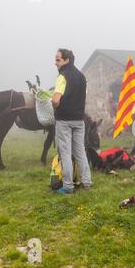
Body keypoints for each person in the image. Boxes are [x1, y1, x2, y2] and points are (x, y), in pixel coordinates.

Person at [51, 49, 92, 194]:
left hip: (64, 120)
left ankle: (68, 187)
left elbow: (56, 100)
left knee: (66, 153)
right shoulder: (82, 77)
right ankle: (87, 183)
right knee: (80, 152)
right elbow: (84, 99)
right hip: (79, 120)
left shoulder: (62, 76)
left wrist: (54, 104)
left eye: (58, 60)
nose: (55, 63)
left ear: (67, 60)